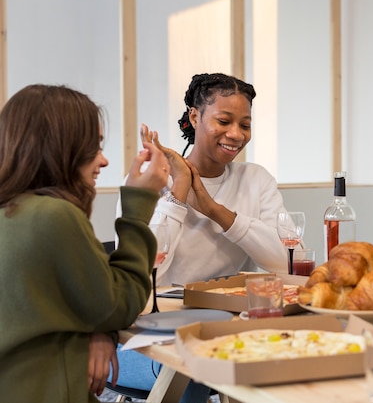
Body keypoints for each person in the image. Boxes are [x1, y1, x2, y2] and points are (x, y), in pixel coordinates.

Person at [112, 72, 290, 400]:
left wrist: (213, 209)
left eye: (245, 125)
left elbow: (286, 262)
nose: (235, 134)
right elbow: (145, 273)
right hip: (143, 339)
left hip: (221, 331)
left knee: (283, 360)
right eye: (224, 120)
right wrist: (178, 196)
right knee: (198, 369)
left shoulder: (256, 180)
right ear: (195, 116)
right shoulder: (150, 179)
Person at [0, 84, 170, 403]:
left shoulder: (12, 212)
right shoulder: (54, 216)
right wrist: (139, 203)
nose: (103, 161)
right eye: (94, 147)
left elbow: (73, 301)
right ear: (60, 149)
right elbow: (118, 305)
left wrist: (98, 329)